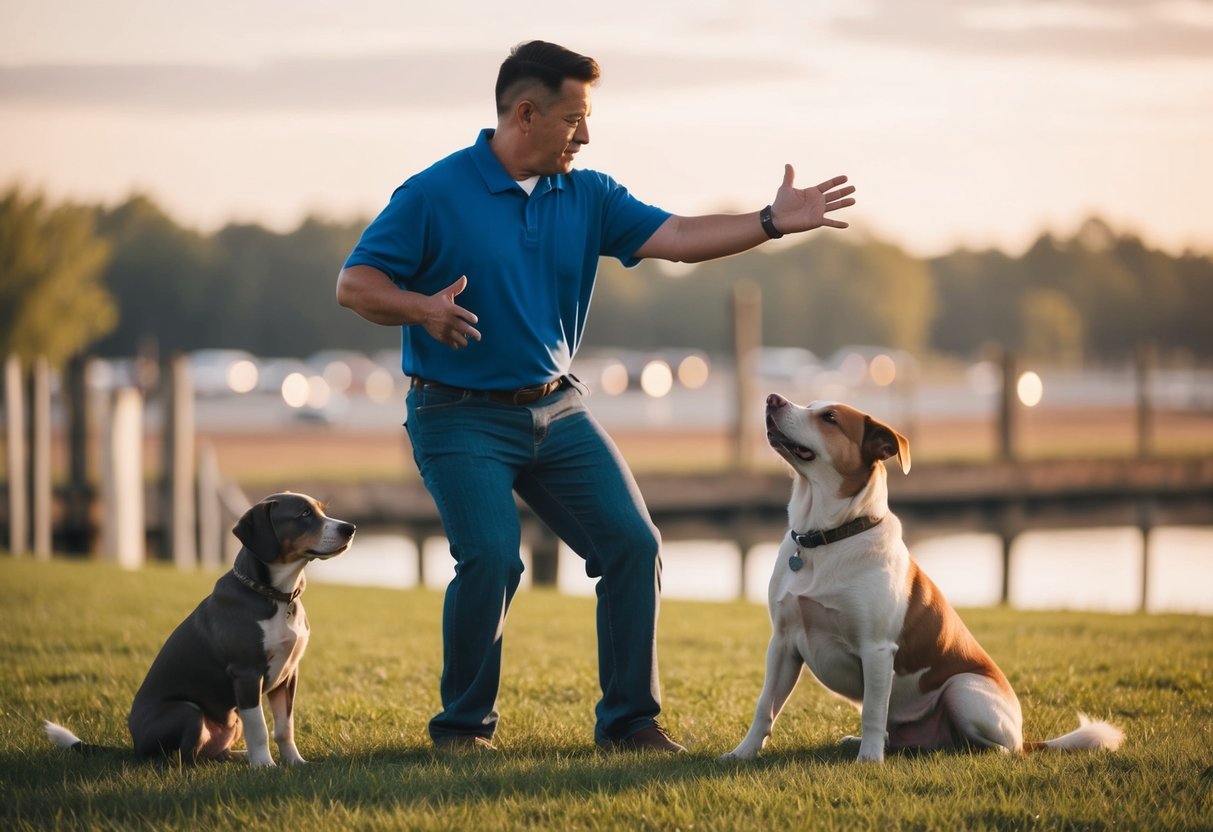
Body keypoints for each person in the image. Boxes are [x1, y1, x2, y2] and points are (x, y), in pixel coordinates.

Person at [336, 40, 855, 754]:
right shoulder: (432, 193)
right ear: (526, 113)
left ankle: (629, 723)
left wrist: (769, 221)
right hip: (457, 415)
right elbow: (354, 283)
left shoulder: (586, 193)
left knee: (632, 545)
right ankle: (461, 731)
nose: (586, 134)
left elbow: (675, 236)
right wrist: (421, 308)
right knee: (492, 556)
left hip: (557, 409)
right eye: (574, 118)